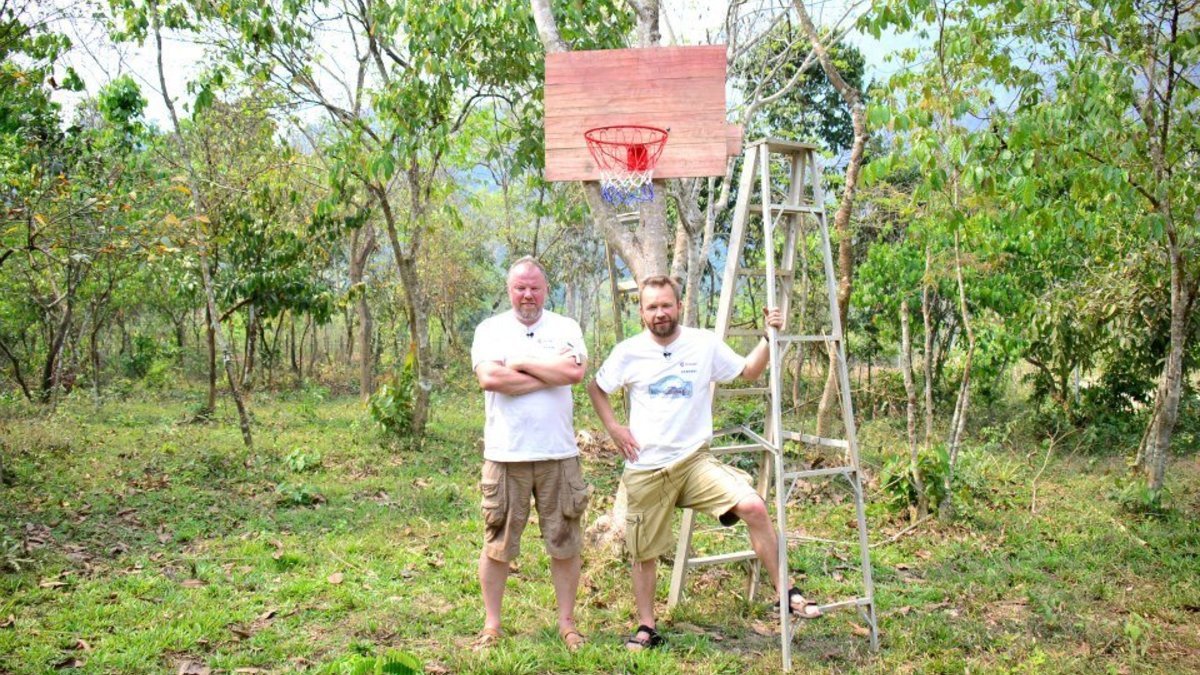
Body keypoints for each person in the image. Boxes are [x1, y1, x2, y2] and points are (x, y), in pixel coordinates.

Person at [586, 274, 821, 652]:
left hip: (694, 461)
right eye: (652, 307)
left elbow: (749, 372)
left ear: (679, 306)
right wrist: (614, 428)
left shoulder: (703, 344)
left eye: (666, 305)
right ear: (642, 313)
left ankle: (785, 593)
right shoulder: (628, 351)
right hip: (646, 467)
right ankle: (647, 626)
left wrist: (767, 336)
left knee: (754, 506)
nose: (660, 313)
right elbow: (596, 387)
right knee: (644, 552)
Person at [470, 256, 591, 652]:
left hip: (559, 454)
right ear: (509, 290)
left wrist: (519, 365)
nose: (527, 294)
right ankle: (491, 625)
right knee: (498, 542)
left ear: (545, 289)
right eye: (520, 287)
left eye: (534, 287)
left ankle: (567, 624)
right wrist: (546, 374)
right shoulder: (490, 330)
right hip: (506, 455)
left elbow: (574, 374)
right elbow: (490, 378)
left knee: (565, 540)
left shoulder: (565, 327)